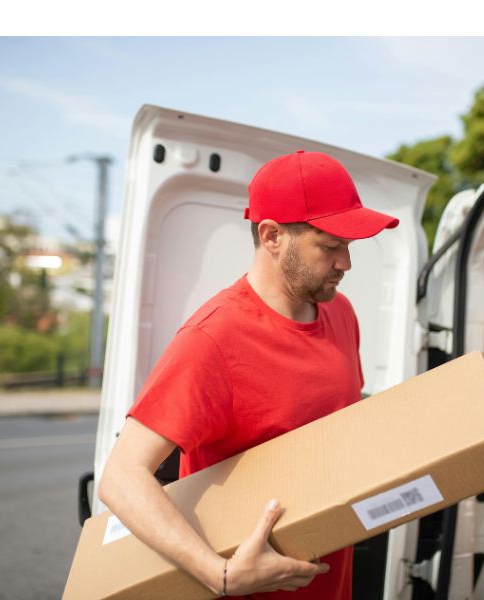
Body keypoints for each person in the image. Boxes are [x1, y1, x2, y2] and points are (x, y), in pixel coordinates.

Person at [98, 149, 399, 598]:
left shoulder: (341, 316)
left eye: (349, 247)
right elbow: (121, 477)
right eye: (331, 246)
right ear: (273, 236)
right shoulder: (215, 338)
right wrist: (218, 575)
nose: (346, 264)